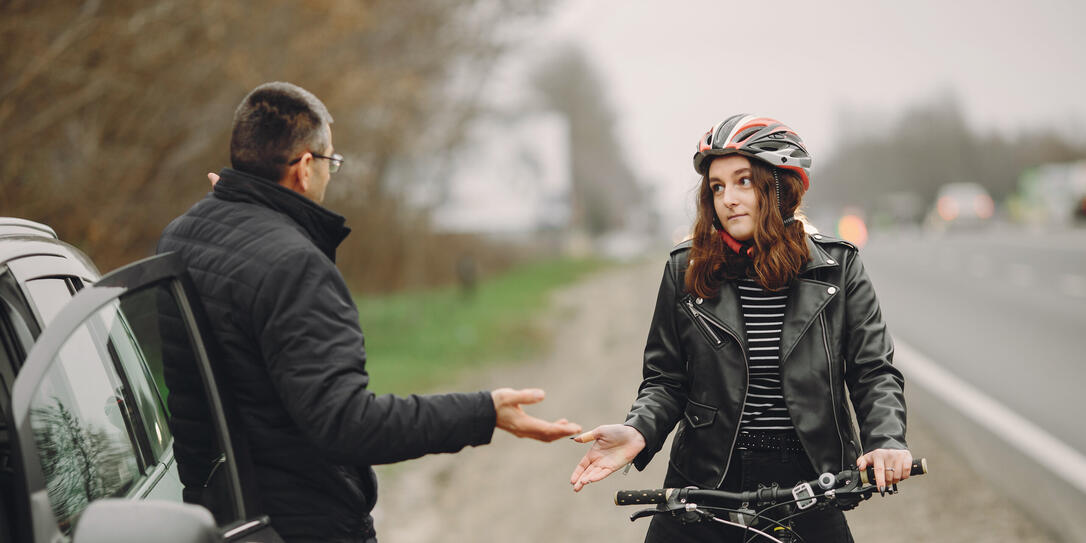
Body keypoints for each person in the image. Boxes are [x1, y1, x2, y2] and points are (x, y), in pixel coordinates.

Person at [158, 81, 581, 543]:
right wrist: (484, 411)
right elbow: (347, 423)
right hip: (303, 525)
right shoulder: (294, 264)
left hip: (223, 517)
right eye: (330, 161)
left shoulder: (184, 235)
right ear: (304, 168)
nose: (330, 173)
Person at [568, 114, 910, 542]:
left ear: (782, 187)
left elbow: (872, 371)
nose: (727, 198)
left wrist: (886, 439)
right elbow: (666, 380)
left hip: (809, 484)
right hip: (705, 483)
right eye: (717, 186)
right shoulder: (685, 270)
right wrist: (638, 429)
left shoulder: (838, 269)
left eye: (744, 181)